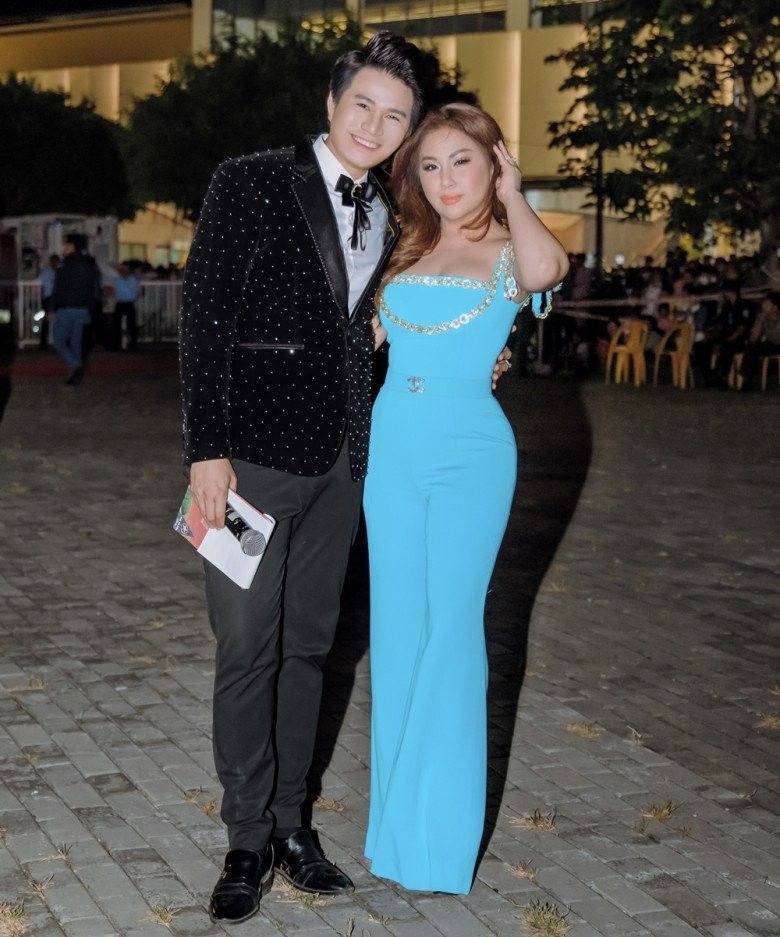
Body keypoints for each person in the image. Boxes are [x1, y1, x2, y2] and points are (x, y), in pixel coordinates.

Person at [180, 32, 512, 925]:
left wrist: (484, 351)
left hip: (346, 465)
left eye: (395, 115)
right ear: (332, 103)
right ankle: (245, 837)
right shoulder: (250, 180)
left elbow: (429, 307)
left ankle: (293, 827)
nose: (374, 124)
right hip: (246, 458)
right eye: (362, 104)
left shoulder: (403, 212)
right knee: (246, 646)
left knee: (308, 649)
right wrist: (204, 451)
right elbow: (203, 316)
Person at [363, 103, 568, 893]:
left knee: (451, 630)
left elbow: (548, 272)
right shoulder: (407, 248)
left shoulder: (513, 250)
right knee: (397, 628)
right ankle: (395, 829)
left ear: (493, 165)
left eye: (463, 162)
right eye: (430, 165)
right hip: (393, 451)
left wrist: (516, 194)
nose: (446, 180)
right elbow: (359, 345)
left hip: (470, 456)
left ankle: (437, 842)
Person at [50, 234, 99, 385]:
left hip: (66, 307)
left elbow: (57, 288)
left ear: (72, 246)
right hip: (82, 309)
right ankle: (74, 375)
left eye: (66, 244)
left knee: (58, 340)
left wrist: (52, 308)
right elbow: (92, 289)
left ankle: (76, 366)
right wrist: (89, 309)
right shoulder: (88, 264)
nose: (64, 247)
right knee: (75, 342)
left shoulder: (65, 264)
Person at [740, 292, 780, 390]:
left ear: (775, 307)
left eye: (767, 304)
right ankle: (747, 380)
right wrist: (759, 322)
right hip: (771, 344)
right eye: (763, 303)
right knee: (752, 346)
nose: (763, 306)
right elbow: (753, 339)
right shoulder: (762, 317)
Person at [112, 262, 142, 350]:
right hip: (120, 303)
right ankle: (116, 344)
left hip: (129, 303)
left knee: (132, 324)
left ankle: (132, 343)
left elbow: (138, 292)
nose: (123, 270)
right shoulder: (117, 279)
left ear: (129, 270)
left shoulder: (133, 280)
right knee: (116, 324)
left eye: (125, 268)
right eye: (122, 268)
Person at [39, 253, 59, 350]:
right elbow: (41, 286)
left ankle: (57, 341)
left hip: (58, 298)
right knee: (46, 321)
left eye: (56, 261)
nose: (55, 263)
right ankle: (44, 343)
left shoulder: (60, 272)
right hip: (48, 298)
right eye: (53, 261)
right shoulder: (46, 272)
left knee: (59, 320)